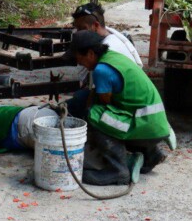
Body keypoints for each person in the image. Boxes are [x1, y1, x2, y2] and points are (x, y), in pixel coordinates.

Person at [67, 30, 175, 186]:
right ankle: (151, 154)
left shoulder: (101, 70)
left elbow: (105, 103)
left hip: (146, 124)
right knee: (99, 109)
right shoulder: (113, 56)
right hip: (156, 123)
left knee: (95, 115)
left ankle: (117, 171)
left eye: (79, 58)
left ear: (90, 53)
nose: (79, 63)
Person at [67, 3, 142, 119]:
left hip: (130, 110)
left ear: (96, 25)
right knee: (78, 99)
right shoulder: (112, 37)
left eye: (82, 28)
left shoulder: (107, 52)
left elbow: (104, 101)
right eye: (77, 29)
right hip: (124, 98)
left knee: (84, 106)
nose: (79, 33)